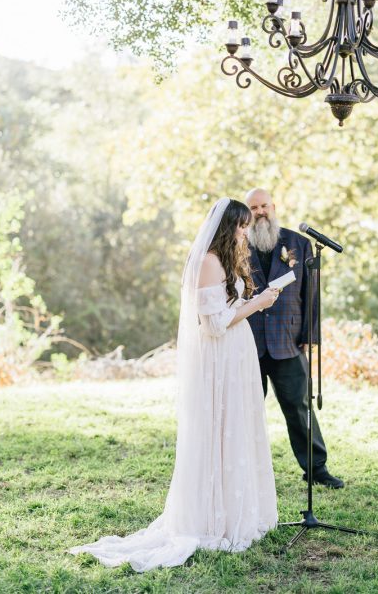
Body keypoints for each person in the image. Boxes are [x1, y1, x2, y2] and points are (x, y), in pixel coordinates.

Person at [70, 198, 281, 571]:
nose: (246, 232)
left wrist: (250, 301)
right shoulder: (206, 263)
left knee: (236, 430)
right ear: (227, 227)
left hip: (235, 358)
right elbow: (214, 325)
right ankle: (213, 518)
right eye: (242, 226)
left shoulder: (226, 262)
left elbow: (223, 310)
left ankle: (235, 510)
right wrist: (258, 304)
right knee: (219, 431)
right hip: (219, 361)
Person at [245, 188, 345, 489]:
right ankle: (244, 469)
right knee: (245, 408)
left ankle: (316, 468)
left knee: (300, 407)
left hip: (288, 340)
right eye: (253, 207)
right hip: (247, 340)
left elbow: (310, 292)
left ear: (273, 207)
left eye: (264, 205)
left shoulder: (299, 244)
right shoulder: (235, 244)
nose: (260, 211)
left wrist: (310, 335)